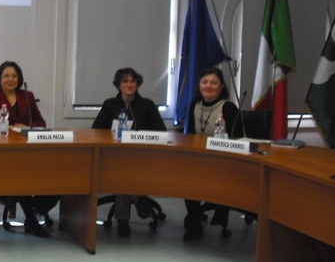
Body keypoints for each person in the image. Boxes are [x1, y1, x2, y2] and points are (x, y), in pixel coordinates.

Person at [0, 61, 54, 238]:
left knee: (56, 170)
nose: (10, 79)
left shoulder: (28, 96)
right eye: (6, 76)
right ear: (0, 79)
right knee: (19, 171)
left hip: (26, 151)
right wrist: (3, 128)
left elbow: (41, 123)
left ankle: (38, 206)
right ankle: (31, 220)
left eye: (14, 76)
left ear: (19, 78)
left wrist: (26, 126)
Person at [91, 67, 166, 237]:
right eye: (125, 81)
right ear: (119, 85)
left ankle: (123, 220)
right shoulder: (110, 104)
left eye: (133, 81)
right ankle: (138, 199)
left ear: (138, 84)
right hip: (114, 156)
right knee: (123, 171)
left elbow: (161, 132)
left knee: (124, 174)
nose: (129, 84)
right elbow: (95, 131)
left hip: (142, 157)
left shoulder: (147, 105)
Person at [183, 66, 243, 241]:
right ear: (199, 85)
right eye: (204, 82)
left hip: (225, 162)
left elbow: (238, 139)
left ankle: (217, 207)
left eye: (213, 83)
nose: (208, 86)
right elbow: (191, 137)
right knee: (187, 176)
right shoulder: (195, 104)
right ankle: (194, 221)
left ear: (221, 87)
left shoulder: (228, 108)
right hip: (200, 160)